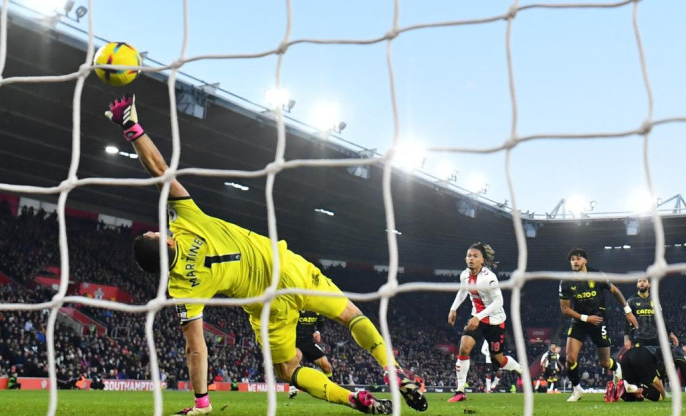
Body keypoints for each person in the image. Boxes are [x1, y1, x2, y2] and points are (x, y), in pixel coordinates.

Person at [104, 94, 427, 415]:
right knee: (351, 315)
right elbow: (160, 171)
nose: (160, 230)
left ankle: (354, 399)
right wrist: (132, 127)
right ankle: (391, 369)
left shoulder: (182, 289)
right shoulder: (189, 222)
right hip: (289, 268)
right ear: (168, 244)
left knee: (289, 370)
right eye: (156, 234)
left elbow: (195, 348)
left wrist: (202, 402)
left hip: (267, 307)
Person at [559, 248, 638, 402]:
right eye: (572, 259)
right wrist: (585, 318)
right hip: (580, 320)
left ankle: (617, 369)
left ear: (585, 261)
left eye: (578, 258)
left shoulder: (596, 274)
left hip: (599, 320)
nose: (575, 261)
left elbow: (615, 291)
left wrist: (627, 310)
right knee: (570, 358)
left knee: (604, 362)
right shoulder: (566, 281)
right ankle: (577, 390)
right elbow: (565, 309)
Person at [447, 243, 522, 403]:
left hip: (495, 321)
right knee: (464, 348)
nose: (471, 259)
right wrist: (453, 308)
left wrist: (478, 317)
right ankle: (460, 391)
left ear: (482, 260)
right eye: (469, 255)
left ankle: (519, 369)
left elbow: (499, 302)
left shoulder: (489, 277)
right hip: (477, 318)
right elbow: (462, 291)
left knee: (498, 360)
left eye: (475, 256)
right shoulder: (464, 275)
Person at [616, 334, 686, 402]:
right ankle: (620, 374)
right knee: (661, 395)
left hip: (627, 357)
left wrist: (641, 394)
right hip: (643, 357)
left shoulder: (670, 363)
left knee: (632, 397)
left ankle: (622, 386)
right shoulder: (678, 351)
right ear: (683, 347)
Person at [289, 310, 333, 398]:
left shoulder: (316, 309)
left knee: (326, 366)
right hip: (294, 341)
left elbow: (321, 324)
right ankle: (292, 387)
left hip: (308, 342)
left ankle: (329, 388)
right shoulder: (297, 307)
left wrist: (318, 332)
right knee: (296, 357)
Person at [624, 278, 665, 349]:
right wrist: (626, 339)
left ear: (649, 284)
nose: (641, 283)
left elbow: (661, 318)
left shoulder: (655, 300)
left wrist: (670, 333)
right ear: (637, 285)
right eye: (639, 281)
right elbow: (627, 321)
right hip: (638, 337)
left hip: (654, 337)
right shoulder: (631, 300)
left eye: (644, 281)